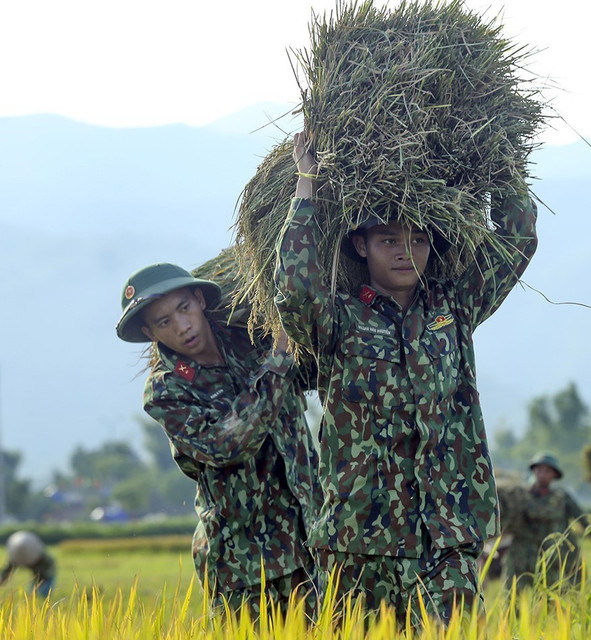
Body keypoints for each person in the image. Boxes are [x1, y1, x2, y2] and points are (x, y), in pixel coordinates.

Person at [274, 132, 538, 625]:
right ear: (361, 245)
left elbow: (519, 237)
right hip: (359, 541)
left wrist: (498, 157)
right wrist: (306, 185)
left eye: (417, 239)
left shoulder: (454, 308)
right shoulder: (337, 321)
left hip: (448, 532)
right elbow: (293, 292)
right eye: (389, 239)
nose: (405, 252)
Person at [115, 262, 320, 618]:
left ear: (199, 300)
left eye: (184, 309)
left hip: (314, 541)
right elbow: (228, 444)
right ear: (150, 331)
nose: (182, 326)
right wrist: (279, 361)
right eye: (164, 322)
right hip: (244, 565)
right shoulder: (166, 390)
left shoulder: (252, 337)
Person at [502, 453, 591, 591]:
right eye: (539, 469)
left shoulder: (561, 497)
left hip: (549, 556)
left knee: (548, 598)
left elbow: (582, 518)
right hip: (521, 555)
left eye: (547, 470)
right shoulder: (519, 495)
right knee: (513, 599)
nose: (542, 474)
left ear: (554, 475)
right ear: (534, 471)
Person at [0, 530, 56, 597]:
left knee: (43, 591)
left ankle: (42, 598)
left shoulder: (43, 559)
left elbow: (44, 574)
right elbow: (7, 570)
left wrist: (39, 582)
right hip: (39, 571)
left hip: (46, 572)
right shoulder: (15, 557)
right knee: (33, 593)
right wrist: (0, 580)